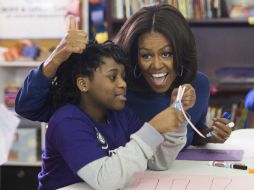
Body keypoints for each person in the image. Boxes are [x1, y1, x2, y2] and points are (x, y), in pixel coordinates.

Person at [15, 4, 231, 148]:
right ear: (133, 55)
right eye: (146, 55)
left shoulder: (197, 84)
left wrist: (210, 135)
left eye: (167, 53)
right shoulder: (112, 87)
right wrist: (56, 57)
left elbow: (194, 133)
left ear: (181, 52)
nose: (157, 65)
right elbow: (28, 107)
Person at [38, 41, 188, 190]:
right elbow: (106, 181)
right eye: (113, 77)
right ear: (83, 84)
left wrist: (177, 113)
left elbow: (157, 162)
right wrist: (152, 129)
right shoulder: (67, 122)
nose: (123, 84)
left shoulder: (121, 114)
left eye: (123, 77)